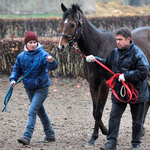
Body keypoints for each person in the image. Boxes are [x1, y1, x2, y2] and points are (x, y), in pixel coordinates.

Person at [86, 27, 149, 150]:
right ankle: (111, 142)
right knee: (114, 117)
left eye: (120, 39)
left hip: (137, 92)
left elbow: (144, 71)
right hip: (119, 91)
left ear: (128, 40)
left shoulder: (138, 54)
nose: (118, 42)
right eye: (116, 39)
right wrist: (95, 59)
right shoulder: (115, 53)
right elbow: (107, 64)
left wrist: (127, 75)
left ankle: (136, 144)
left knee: (137, 121)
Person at [10, 31, 58, 145]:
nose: (33, 44)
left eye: (34, 42)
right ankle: (50, 134)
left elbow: (53, 67)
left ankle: (27, 136)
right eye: (30, 42)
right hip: (29, 88)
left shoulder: (42, 54)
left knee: (32, 110)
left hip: (42, 88)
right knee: (40, 112)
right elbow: (16, 70)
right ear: (26, 44)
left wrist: (52, 62)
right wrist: (13, 79)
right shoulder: (21, 56)